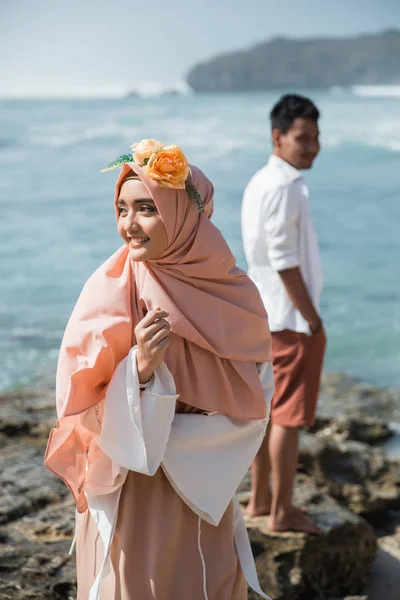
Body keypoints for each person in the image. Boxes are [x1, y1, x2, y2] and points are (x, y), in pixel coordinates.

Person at [45, 139, 274, 600]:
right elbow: (76, 400)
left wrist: (187, 437)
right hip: (132, 490)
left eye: (147, 208)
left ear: (184, 215)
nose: (130, 224)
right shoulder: (109, 290)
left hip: (202, 487)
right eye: (123, 209)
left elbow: (257, 394)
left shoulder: (233, 293)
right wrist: (140, 371)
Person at [241, 95, 326, 534]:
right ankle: (282, 511)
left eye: (316, 137)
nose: (313, 146)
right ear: (278, 137)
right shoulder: (284, 185)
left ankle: (259, 499)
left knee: (264, 411)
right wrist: (312, 319)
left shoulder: (260, 181)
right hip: (288, 320)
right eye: (303, 138)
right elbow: (283, 259)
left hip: (261, 312)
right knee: (288, 418)